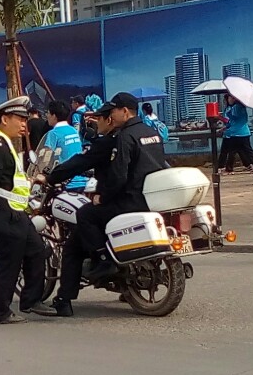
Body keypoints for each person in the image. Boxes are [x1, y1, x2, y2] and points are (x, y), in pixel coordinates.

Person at [0, 96, 57, 324]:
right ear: (5, 119)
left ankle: (31, 300)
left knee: (37, 250)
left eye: (25, 120)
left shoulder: (5, 143)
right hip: (4, 212)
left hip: (16, 211)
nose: (24, 125)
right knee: (9, 261)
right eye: (20, 119)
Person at [76, 92, 169, 281]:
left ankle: (104, 260)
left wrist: (103, 197)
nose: (111, 115)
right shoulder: (152, 132)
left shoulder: (125, 137)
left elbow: (119, 175)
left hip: (130, 200)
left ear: (125, 111)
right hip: (151, 198)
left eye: (114, 111)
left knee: (85, 214)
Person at [46, 106, 119, 316]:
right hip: (135, 199)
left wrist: (51, 177)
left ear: (109, 119)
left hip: (111, 200)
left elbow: (80, 161)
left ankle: (64, 299)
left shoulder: (107, 142)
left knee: (73, 244)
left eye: (98, 118)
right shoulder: (139, 135)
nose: (95, 123)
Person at [42, 100, 87, 191]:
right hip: (81, 181)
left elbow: (46, 158)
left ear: (54, 116)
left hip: (65, 183)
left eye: (48, 113)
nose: (47, 116)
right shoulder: (73, 130)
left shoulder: (53, 133)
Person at [218, 93, 253, 174]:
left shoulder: (237, 107)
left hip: (238, 133)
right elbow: (232, 121)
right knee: (242, 151)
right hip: (238, 132)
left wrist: (222, 117)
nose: (229, 100)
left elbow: (235, 118)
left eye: (230, 98)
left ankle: (229, 169)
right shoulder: (235, 107)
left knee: (235, 151)